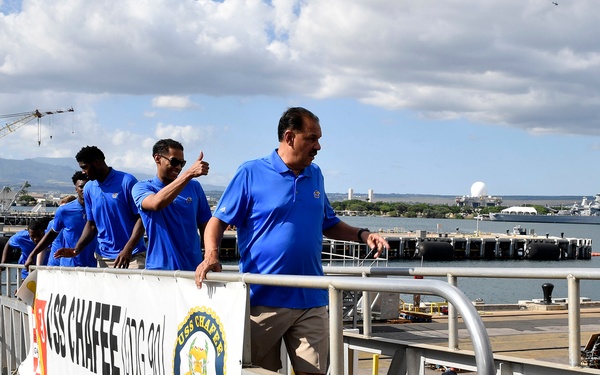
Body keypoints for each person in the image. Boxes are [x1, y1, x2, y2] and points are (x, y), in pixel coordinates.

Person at [195, 107, 390, 375]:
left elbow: (328, 223)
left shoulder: (316, 174)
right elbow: (216, 221)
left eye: (319, 139)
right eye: (311, 138)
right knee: (257, 371)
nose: (318, 146)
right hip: (262, 300)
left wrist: (363, 235)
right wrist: (211, 255)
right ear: (289, 137)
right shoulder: (251, 172)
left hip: (311, 298)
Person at [54, 146, 146, 268]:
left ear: (97, 163)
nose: (83, 172)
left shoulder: (127, 181)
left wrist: (128, 249)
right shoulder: (88, 188)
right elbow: (92, 224)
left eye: (84, 167)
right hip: (103, 257)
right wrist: (76, 250)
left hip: (132, 256)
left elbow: (141, 218)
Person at [132, 139, 212, 270]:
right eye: (174, 162)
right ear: (157, 158)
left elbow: (206, 225)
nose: (179, 167)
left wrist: (210, 256)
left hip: (193, 268)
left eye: (182, 163)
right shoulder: (142, 187)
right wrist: (189, 173)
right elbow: (156, 203)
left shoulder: (194, 187)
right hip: (160, 270)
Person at [25, 172, 97, 271]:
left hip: (94, 266)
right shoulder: (64, 211)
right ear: (76, 189)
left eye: (87, 186)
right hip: (69, 267)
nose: (84, 190)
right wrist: (32, 255)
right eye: (81, 187)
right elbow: (51, 235)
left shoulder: (100, 208)